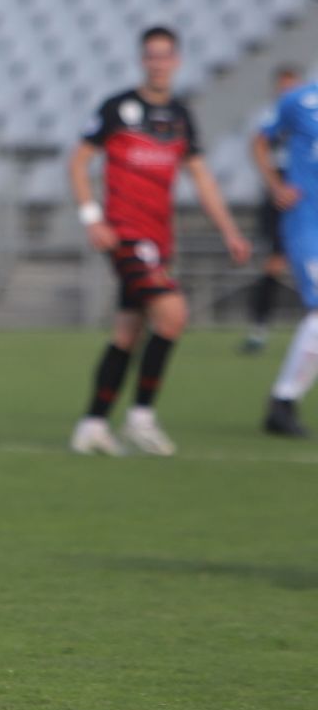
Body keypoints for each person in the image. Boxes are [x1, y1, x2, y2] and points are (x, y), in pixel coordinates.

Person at [67, 26, 250, 457]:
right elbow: (78, 163)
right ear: (142, 60)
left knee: (127, 333)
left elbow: (201, 177)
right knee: (173, 315)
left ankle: (92, 424)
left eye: (165, 55)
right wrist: (92, 218)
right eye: (151, 55)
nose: (158, 63)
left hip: (159, 238)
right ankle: (140, 418)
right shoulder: (117, 108)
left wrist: (229, 230)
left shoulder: (182, 116)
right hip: (126, 236)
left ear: (177, 61)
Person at [252, 66, 318, 436]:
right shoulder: (300, 99)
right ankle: (282, 402)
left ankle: (283, 402)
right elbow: (259, 140)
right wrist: (276, 185)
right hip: (307, 222)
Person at [242, 65, 304, 354]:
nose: (287, 92)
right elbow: (257, 145)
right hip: (280, 199)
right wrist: (276, 186)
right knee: (275, 264)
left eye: (292, 86)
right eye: (283, 87)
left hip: (307, 196)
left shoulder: (308, 116)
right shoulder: (271, 118)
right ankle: (259, 328)